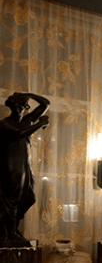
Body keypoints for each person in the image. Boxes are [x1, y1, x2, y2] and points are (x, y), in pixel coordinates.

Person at [0, 92, 50, 247]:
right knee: (12, 200)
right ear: (10, 107)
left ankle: (13, 231)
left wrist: (27, 94)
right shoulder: (4, 124)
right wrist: (40, 123)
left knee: (26, 197)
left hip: (24, 164)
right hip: (11, 163)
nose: (17, 109)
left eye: (20, 105)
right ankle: (8, 234)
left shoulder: (28, 120)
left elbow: (45, 104)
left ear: (25, 106)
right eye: (14, 106)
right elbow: (19, 133)